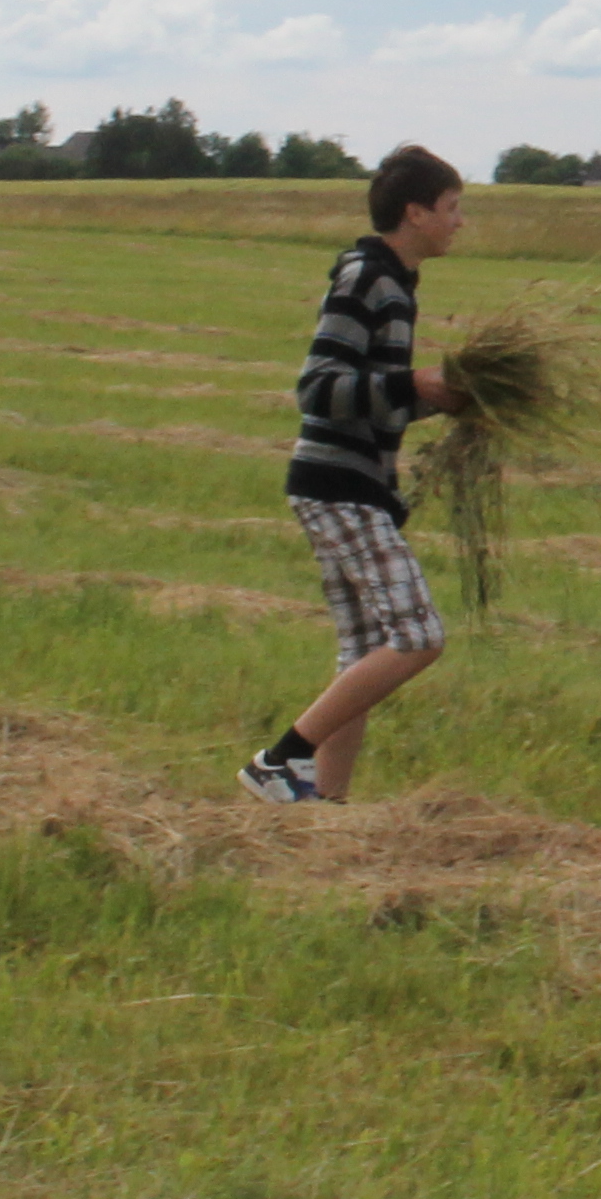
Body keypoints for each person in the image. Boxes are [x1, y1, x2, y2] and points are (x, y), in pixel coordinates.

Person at [243, 144, 472, 804]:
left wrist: (447, 400)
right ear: (416, 213)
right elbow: (319, 388)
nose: (460, 222)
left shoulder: (395, 285)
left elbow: (374, 403)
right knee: (419, 637)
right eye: (452, 207)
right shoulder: (367, 279)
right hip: (338, 487)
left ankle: (328, 807)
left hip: (348, 484)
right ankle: (277, 762)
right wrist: (412, 382)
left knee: (364, 649)